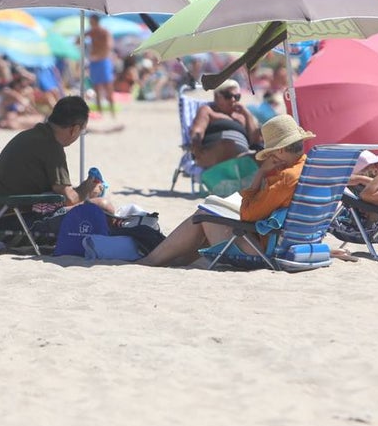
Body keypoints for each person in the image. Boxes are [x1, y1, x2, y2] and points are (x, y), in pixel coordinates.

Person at [139, 115, 350, 266]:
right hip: (301, 243)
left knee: (203, 215)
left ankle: (151, 260)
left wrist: (260, 174)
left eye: (270, 152)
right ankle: (174, 260)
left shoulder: (286, 177)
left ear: (279, 150)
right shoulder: (313, 169)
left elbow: (248, 215)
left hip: (265, 250)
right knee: (213, 212)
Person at [0, 96, 112, 226]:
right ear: (74, 130)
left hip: (1, 213)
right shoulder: (51, 146)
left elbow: (60, 194)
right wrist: (88, 187)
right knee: (103, 206)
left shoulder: (32, 135)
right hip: (18, 220)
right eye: (82, 131)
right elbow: (70, 199)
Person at [189, 79, 263, 169]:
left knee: (264, 156)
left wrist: (247, 114)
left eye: (237, 97)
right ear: (216, 97)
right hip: (213, 153)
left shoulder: (242, 117)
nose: (233, 100)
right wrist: (196, 148)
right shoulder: (209, 111)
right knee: (229, 144)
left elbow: (256, 141)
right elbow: (197, 132)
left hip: (241, 155)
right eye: (228, 96)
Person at [85, 15, 116, 117]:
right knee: (96, 87)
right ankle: (100, 112)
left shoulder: (104, 32)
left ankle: (112, 111)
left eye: (91, 21)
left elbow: (109, 46)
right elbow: (78, 39)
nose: (90, 23)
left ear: (95, 21)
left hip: (103, 61)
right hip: (95, 61)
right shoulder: (91, 32)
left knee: (108, 86)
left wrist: (98, 56)